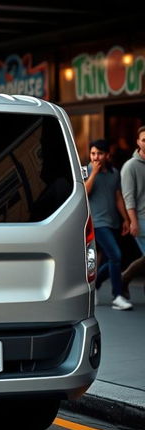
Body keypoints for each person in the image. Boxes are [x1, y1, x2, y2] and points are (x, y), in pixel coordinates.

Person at [85, 139, 132, 311]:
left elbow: (118, 196)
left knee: (112, 258)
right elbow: (84, 192)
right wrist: (94, 174)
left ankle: (94, 286)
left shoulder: (114, 172)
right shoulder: (85, 170)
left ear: (107, 155)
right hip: (96, 222)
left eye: (99, 154)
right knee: (116, 255)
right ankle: (117, 296)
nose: (96, 157)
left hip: (112, 222)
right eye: (93, 153)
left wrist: (126, 219)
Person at [121, 125, 145, 296]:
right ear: (138, 142)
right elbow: (128, 197)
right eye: (144, 140)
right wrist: (133, 222)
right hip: (141, 219)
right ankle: (124, 277)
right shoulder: (130, 166)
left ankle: (124, 278)